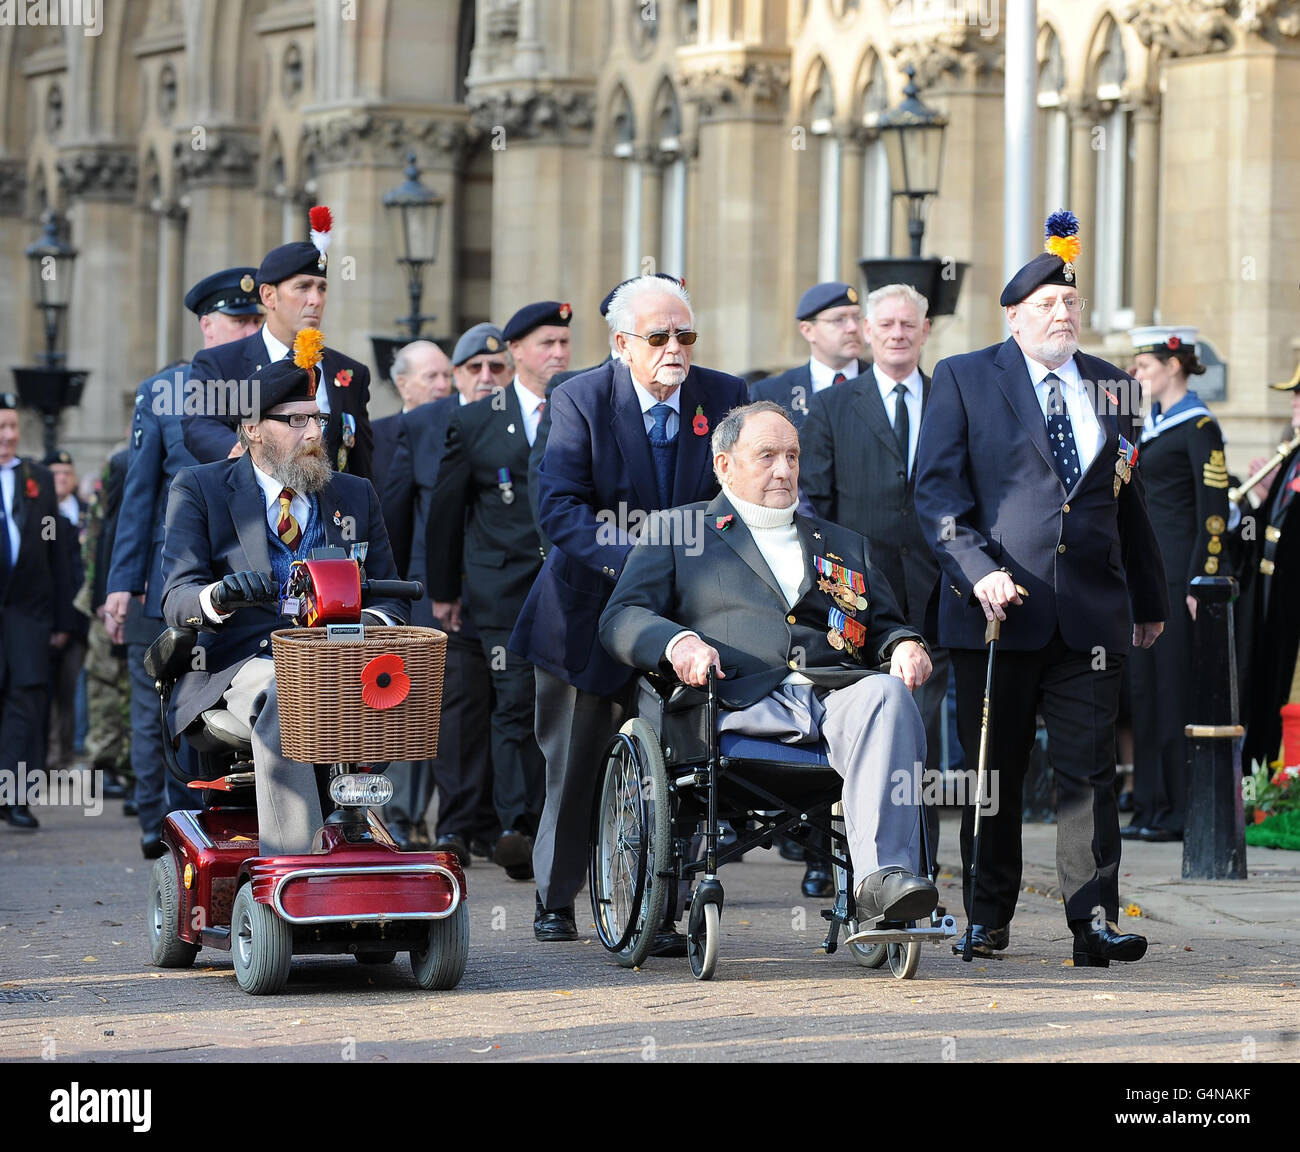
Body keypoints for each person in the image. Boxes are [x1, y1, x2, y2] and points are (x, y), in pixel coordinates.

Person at [914, 211, 1168, 967]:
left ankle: (1091, 922)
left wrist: (1148, 600)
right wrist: (977, 570)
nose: (1063, 315)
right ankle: (987, 918)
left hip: (1090, 610)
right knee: (994, 771)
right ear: (1015, 316)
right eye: (1047, 306)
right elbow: (936, 499)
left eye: (1071, 304)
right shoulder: (965, 378)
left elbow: (1129, 501)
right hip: (998, 611)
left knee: (1088, 771)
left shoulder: (1114, 386)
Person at [599, 401, 938, 922]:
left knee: (888, 694)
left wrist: (903, 646)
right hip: (736, 700)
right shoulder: (679, 531)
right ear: (724, 465)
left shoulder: (844, 544)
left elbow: (885, 626)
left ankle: (881, 883)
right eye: (767, 456)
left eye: (792, 456)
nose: (784, 469)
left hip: (833, 700)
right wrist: (678, 643)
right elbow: (621, 616)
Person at [507, 274, 750, 945]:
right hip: (585, 613)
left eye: (686, 335)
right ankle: (555, 901)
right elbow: (559, 509)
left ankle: (659, 912)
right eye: (659, 336)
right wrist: (638, 564)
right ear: (621, 344)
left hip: (685, 620)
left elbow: (744, 497)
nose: (676, 347)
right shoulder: (579, 398)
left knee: (677, 771)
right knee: (576, 765)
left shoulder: (725, 397)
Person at [161, 332, 407, 855]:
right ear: (252, 428)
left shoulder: (354, 494)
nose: (314, 432)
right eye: (295, 421)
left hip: (340, 656)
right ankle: (295, 858)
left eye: (316, 418)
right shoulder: (199, 488)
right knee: (287, 684)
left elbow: (393, 597)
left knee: (404, 679)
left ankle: (362, 828)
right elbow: (177, 595)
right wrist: (218, 597)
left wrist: (374, 623)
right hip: (241, 663)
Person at [105, 266, 263, 857]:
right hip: (177, 574)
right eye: (237, 321)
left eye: (255, 320)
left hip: (249, 581)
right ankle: (162, 821)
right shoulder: (167, 391)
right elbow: (139, 496)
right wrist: (123, 582)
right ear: (207, 326)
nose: (247, 330)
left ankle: (224, 821)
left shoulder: (273, 392)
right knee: (164, 701)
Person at [800, 282, 949, 890]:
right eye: (884, 324)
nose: (896, 333)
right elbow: (815, 506)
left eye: (907, 324)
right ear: (865, 330)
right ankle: (827, 860)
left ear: (925, 329)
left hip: (939, 594)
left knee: (923, 736)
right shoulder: (835, 406)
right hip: (854, 599)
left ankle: (917, 864)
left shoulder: (951, 400)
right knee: (844, 729)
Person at [426, 302, 571, 879]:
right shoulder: (479, 419)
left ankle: (559, 821)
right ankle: (518, 825)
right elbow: (447, 510)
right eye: (546, 345)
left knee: (562, 703)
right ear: (515, 353)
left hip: (566, 583)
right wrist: (444, 590)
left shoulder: (583, 407)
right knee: (513, 701)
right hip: (502, 587)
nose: (558, 354)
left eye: (564, 342)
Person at [1124, 326, 1229, 843]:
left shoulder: (1199, 426)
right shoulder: (1148, 426)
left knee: (1173, 695)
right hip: (1143, 580)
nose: (1136, 374)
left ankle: (1177, 809)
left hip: (1177, 581)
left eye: (1143, 366)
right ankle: (1148, 804)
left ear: (1174, 366)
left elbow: (1215, 512)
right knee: (1143, 695)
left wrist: (1202, 579)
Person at [184, 208, 374, 481]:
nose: (315, 300)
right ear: (269, 296)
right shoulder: (221, 363)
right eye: (303, 287)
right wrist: (238, 453)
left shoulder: (349, 373)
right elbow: (199, 425)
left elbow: (362, 465)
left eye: (322, 288)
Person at [369, 339, 455, 851]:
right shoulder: (377, 437)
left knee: (438, 703)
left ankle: (437, 816)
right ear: (402, 384)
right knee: (400, 698)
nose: (443, 386)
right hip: (395, 585)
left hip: (441, 587)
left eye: (447, 376)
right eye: (432, 378)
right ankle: (396, 811)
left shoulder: (459, 430)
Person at [0, 394, 76, 830]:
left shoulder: (39, 479)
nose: (9, 436)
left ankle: (15, 799)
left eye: (13, 426)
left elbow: (57, 556)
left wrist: (62, 619)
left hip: (29, 615)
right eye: (2, 428)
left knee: (27, 705)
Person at [1241, 371, 1300, 771]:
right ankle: (1262, 778)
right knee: (1265, 685)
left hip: (1291, 597)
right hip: (1274, 594)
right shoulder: (1292, 452)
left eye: (1299, 396)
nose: (1293, 403)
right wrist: (1260, 503)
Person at [749, 282, 864, 428]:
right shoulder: (772, 393)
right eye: (839, 320)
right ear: (808, 330)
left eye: (857, 318)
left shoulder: (885, 382)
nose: (853, 328)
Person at [43, 449, 88, 775]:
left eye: (65, 472)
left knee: (71, 692)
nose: (61, 478)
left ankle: (65, 758)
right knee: (41, 691)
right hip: (45, 617)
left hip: (81, 619)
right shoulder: (39, 514)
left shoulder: (87, 512)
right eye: (54, 472)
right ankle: (43, 756)